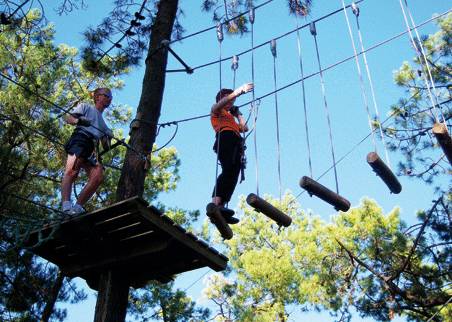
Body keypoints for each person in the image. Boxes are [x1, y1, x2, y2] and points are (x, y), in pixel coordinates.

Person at [61, 88, 113, 214]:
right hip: (81, 138)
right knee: (72, 171)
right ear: (97, 97)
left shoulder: (104, 125)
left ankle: (77, 208)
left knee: (98, 177)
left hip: (92, 147)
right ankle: (66, 206)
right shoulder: (85, 107)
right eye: (106, 96)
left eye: (110, 97)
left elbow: (106, 146)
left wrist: (109, 137)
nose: (109, 99)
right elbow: (69, 119)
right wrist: (79, 121)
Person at [210, 82, 254, 224]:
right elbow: (220, 104)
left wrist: (238, 113)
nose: (230, 103)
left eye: (232, 102)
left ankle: (222, 207)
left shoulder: (230, 117)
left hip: (235, 142)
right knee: (228, 169)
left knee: (234, 173)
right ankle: (215, 204)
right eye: (228, 100)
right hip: (225, 138)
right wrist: (238, 91)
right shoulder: (217, 111)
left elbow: (245, 128)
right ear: (222, 99)